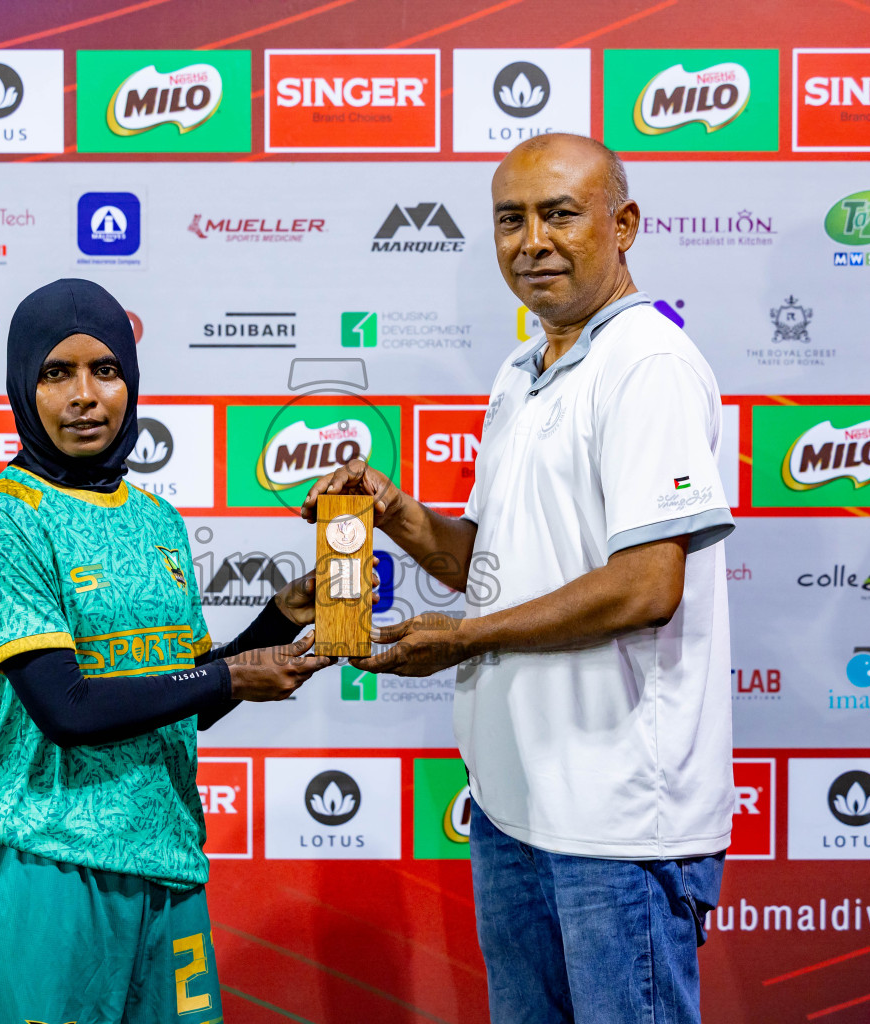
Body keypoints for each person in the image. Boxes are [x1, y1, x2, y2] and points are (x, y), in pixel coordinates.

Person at [303, 134, 734, 1024]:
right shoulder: (521, 373)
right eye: (511, 219)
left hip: (617, 825)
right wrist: (400, 515)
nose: (531, 240)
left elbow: (648, 584)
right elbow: (496, 570)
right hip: (513, 805)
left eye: (559, 214)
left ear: (624, 226)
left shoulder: (646, 363)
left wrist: (464, 638)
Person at [0, 278, 333, 1024]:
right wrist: (227, 674)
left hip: (166, 866)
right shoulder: (2, 520)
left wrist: (279, 620)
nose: (85, 396)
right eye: (56, 374)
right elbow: (69, 708)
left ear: (131, 381)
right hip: (47, 867)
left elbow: (179, 702)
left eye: (106, 370)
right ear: (23, 389)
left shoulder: (156, 517)